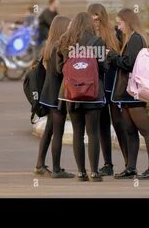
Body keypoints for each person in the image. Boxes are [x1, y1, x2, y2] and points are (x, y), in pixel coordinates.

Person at [108, 8, 149, 180]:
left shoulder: (136, 39)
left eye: (120, 22)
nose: (118, 26)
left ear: (128, 22)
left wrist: (113, 56)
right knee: (130, 131)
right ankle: (131, 168)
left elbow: (129, 63)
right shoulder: (130, 38)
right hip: (127, 93)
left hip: (134, 94)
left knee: (145, 130)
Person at [57, 12, 107, 182]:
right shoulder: (97, 42)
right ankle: (94, 172)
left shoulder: (65, 42)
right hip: (92, 93)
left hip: (71, 94)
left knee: (77, 133)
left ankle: (81, 173)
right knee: (93, 133)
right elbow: (103, 67)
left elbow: (59, 69)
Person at [87, 4, 128, 176]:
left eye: (98, 18)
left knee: (118, 122)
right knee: (102, 124)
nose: (95, 22)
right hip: (97, 84)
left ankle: (129, 164)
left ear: (103, 18)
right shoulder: (86, 36)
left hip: (114, 82)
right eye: (92, 18)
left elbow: (123, 58)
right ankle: (108, 164)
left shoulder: (114, 33)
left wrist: (109, 54)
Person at [34, 15, 74, 179]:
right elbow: (59, 71)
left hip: (48, 94)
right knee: (58, 132)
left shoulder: (49, 46)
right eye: (69, 26)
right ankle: (56, 170)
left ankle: (40, 165)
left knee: (49, 130)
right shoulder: (59, 47)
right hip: (56, 96)